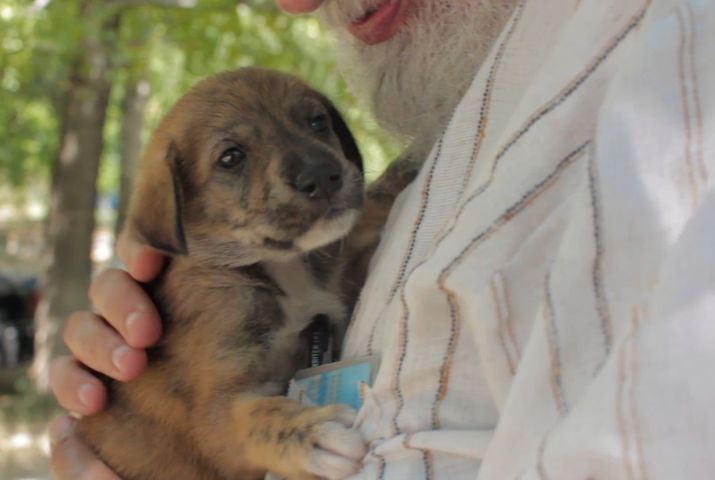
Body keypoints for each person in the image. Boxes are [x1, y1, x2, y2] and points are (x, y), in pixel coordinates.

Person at [50, 0, 715, 478]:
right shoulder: (465, 131)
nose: (295, 3)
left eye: (314, 122)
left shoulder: (673, 66)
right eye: (231, 160)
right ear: (176, 210)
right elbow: (221, 417)